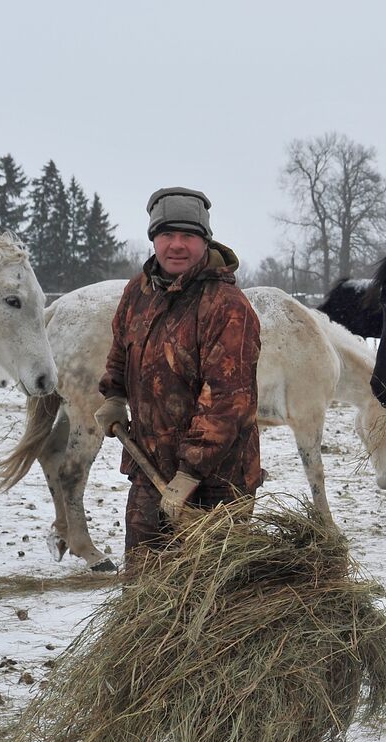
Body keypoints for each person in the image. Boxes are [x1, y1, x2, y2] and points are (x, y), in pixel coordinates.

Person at [94, 186, 261, 562]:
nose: (177, 245)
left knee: (209, 595)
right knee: (143, 585)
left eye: (188, 235)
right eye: (167, 234)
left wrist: (191, 470)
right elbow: (121, 348)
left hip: (216, 484)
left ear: (205, 241)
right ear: (153, 239)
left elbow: (227, 397)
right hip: (149, 469)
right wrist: (114, 396)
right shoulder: (138, 292)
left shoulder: (227, 307)